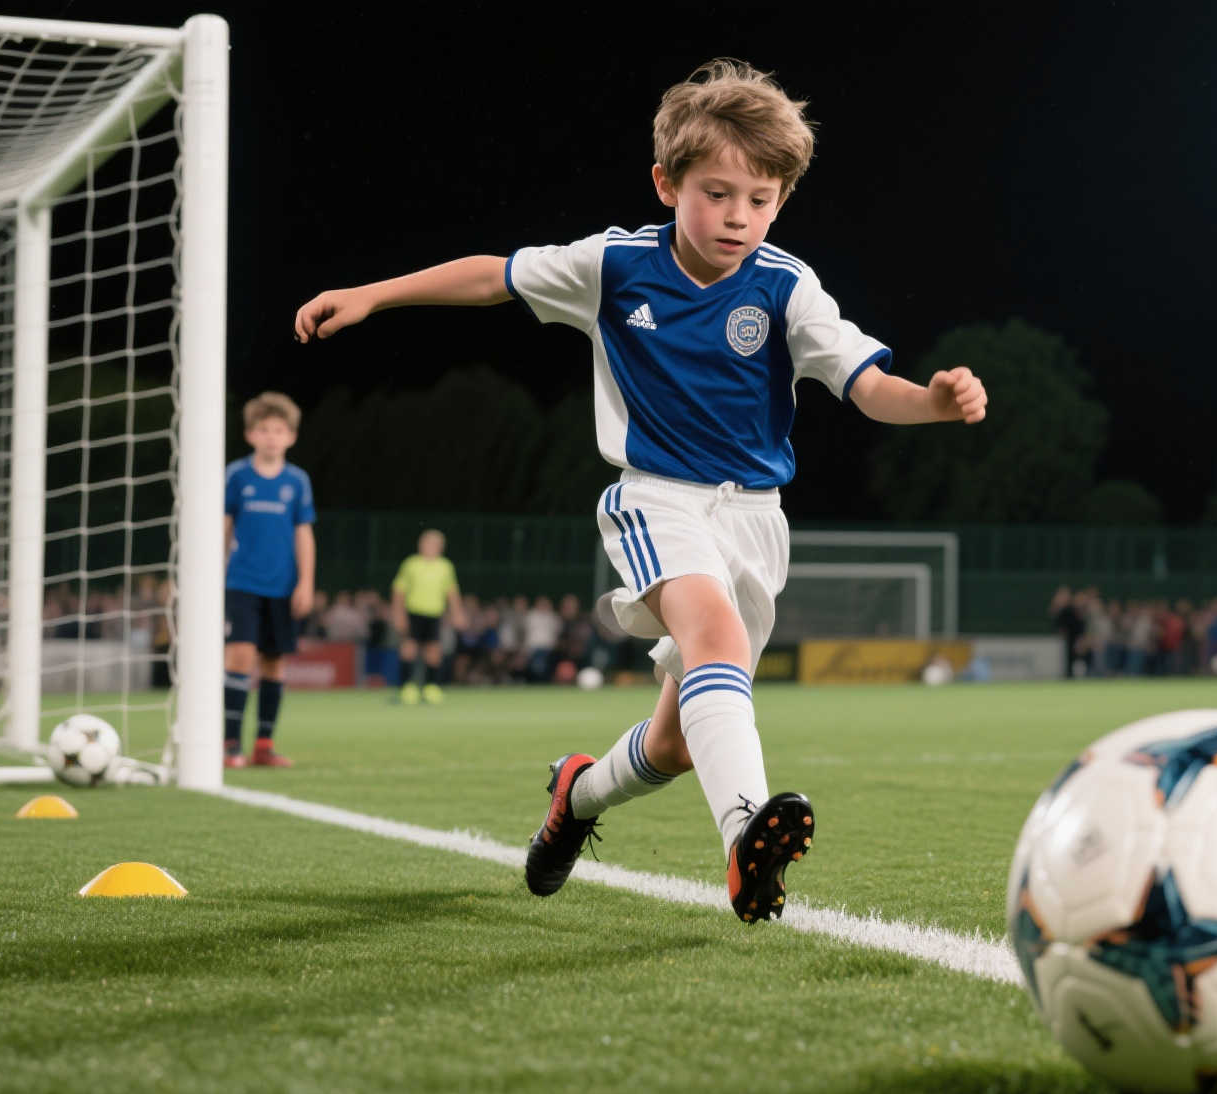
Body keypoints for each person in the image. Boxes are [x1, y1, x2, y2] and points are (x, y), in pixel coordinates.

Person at [296, 60, 986, 921]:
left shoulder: (786, 286)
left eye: (760, 198)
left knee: (674, 744)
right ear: (666, 183)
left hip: (755, 524)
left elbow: (864, 383)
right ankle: (745, 842)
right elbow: (494, 273)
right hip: (656, 499)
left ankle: (574, 799)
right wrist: (373, 295)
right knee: (715, 633)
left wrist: (931, 401)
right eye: (717, 191)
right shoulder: (614, 265)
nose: (738, 216)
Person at [221, 392, 315, 769]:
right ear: (250, 435)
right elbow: (224, 527)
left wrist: (306, 581)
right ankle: (230, 746)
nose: (272, 437)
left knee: (274, 663)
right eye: (264, 429)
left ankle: (264, 744)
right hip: (242, 582)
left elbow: (303, 533)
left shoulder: (297, 481)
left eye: (279, 430)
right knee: (240, 655)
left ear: (291, 436)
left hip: (283, 585)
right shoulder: (237, 475)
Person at [391, 529, 469, 704]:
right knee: (409, 649)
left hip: (434, 613)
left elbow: (451, 592)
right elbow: (399, 590)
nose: (429, 547)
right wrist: (398, 614)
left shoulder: (445, 566)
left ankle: (431, 688)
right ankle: (407, 688)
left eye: (434, 544)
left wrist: (458, 613)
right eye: (426, 543)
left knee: (433, 651)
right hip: (414, 612)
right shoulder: (411, 564)